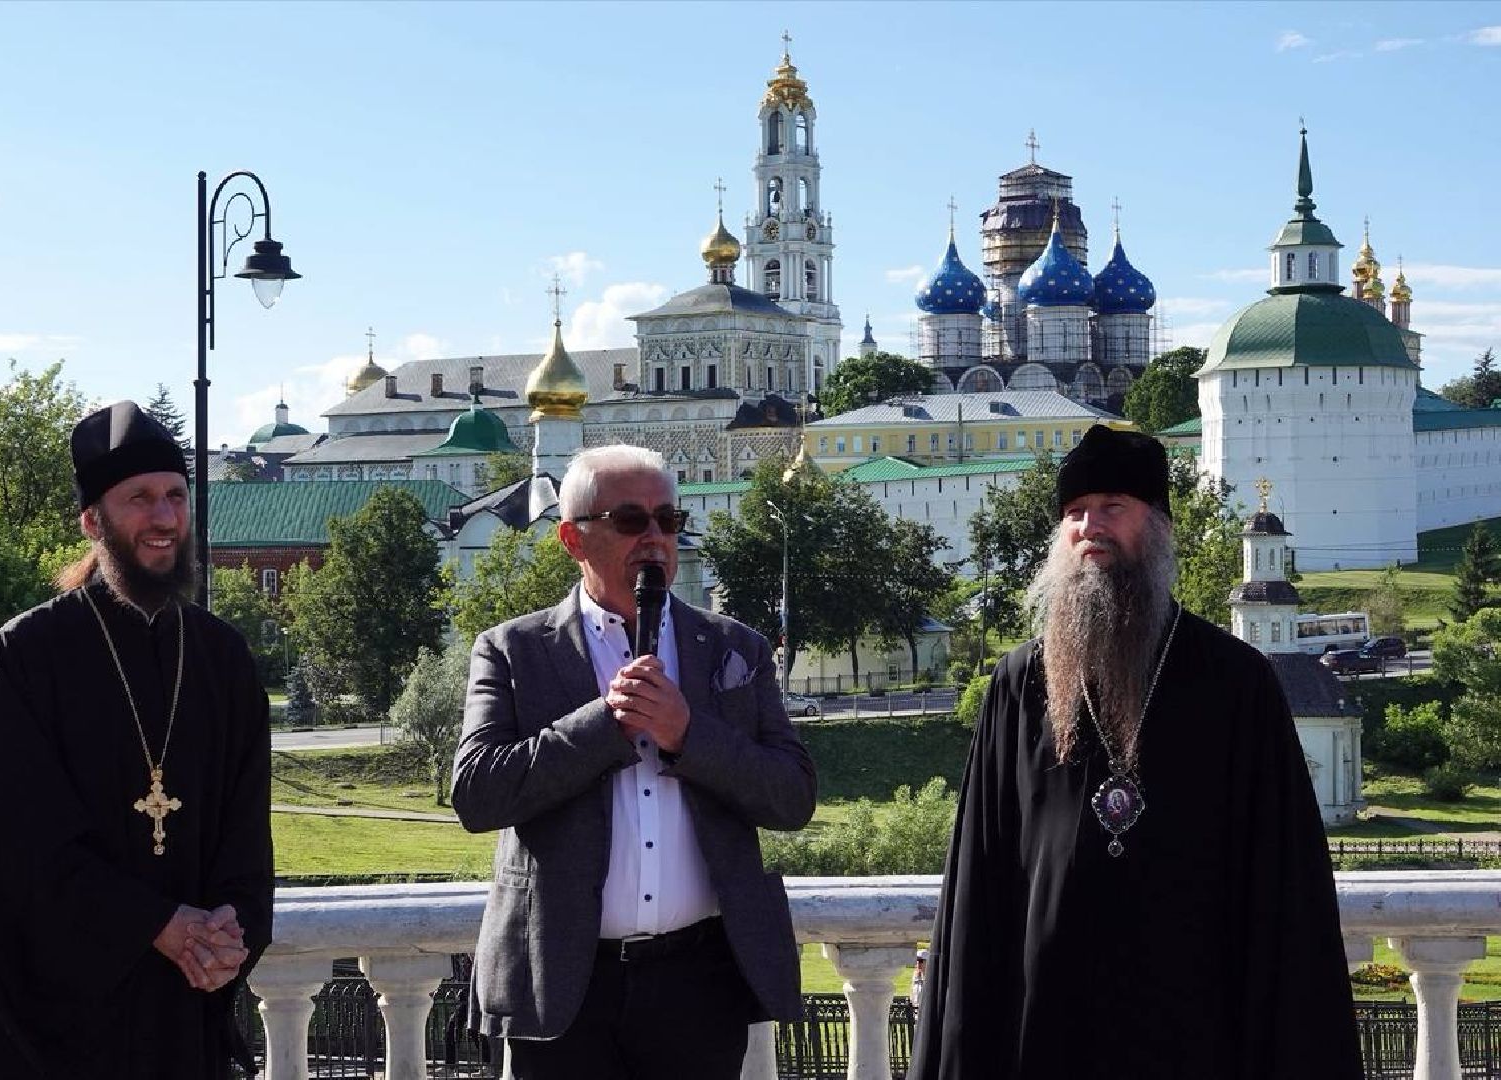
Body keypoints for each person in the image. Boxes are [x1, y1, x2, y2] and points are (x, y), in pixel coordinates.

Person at [910, 425, 1362, 1080]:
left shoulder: (1235, 682)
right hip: (1042, 1031)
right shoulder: (1019, 684)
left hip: (1195, 1029)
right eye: (1074, 513)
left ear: (1157, 527)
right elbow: (980, 881)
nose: (1090, 525)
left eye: (1112, 507)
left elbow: (1284, 891)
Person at [452, 444, 816, 1080]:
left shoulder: (734, 647)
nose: (654, 538)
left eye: (667, 521)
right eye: (629, 521)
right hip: (561, 980)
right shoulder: (512, 650)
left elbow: (792, 796)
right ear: (573, 539)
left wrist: (686, 734)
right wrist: (602, 726)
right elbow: (478, 794)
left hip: (699, 985)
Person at [0, 400, 274, 1080]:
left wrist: (229, 932)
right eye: (140, 499)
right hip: (46, 1038)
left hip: (179, 1024)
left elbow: (246, 832)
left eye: (176, 497)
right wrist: (154, 923)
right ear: (93, 521)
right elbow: (8, 849)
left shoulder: (223, 659)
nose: (165, 519)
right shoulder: (25, 656)